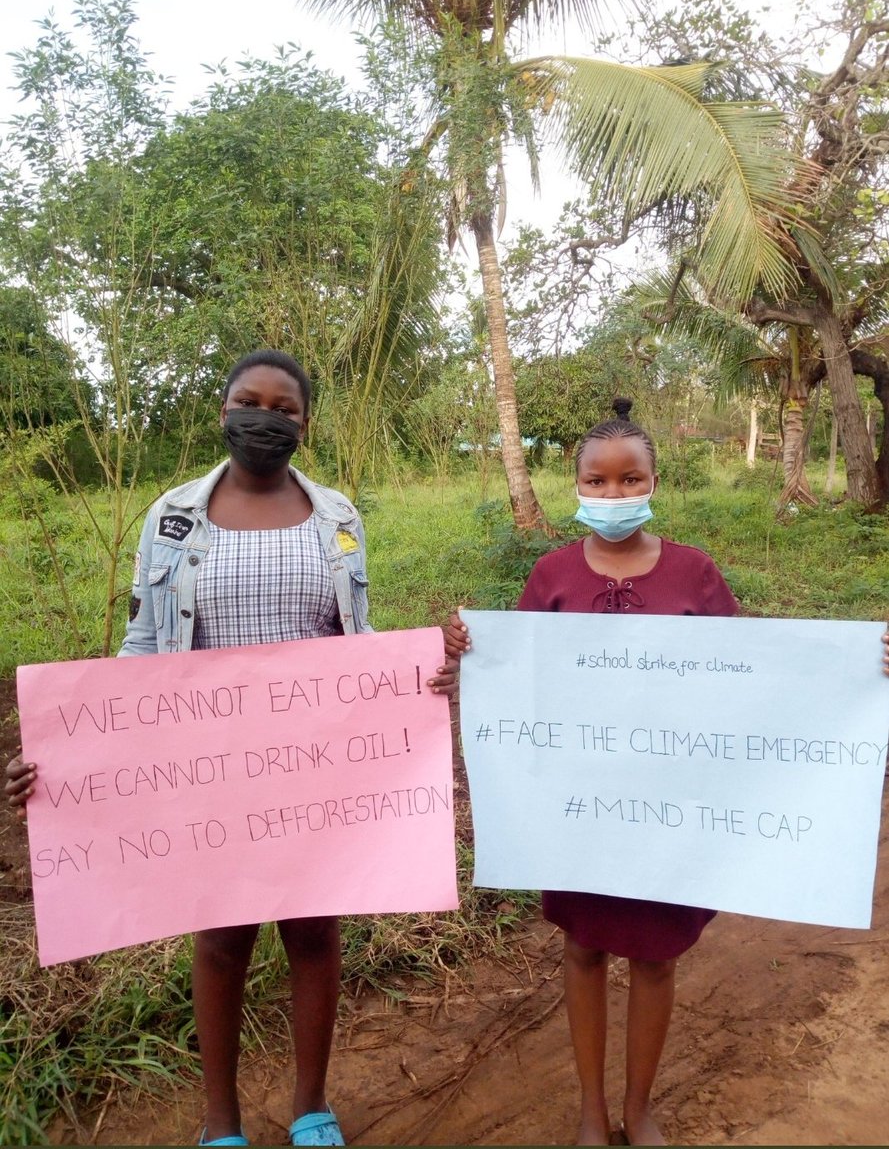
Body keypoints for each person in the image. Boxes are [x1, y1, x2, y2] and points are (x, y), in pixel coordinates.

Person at [6, 348, 456, 1148]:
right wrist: (67, 747)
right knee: (218, 939)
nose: (265, 417)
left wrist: (419, 679)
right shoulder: (172, 517)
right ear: (222, 412)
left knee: (314, 931)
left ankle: (312, 1106)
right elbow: (143, 644)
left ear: (303, 423)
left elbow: (357, 638)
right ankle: (222, 1123)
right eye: (249, 402)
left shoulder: (338, 517)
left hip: (312, 769)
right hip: (210, 774)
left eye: (283, 407)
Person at [443, 398, 733, 1146]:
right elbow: (517, 680)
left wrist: (859, 672)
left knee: (655, 957)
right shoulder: (551, 575)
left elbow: (749, 679)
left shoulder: (696, 576)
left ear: (654, 480)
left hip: (666, 807)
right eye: (598, 482)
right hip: (577, 806)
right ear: (576, 485)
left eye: (629, 479)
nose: (613, 496)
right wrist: (465, 664)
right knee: (582, 948)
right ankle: (589, 1110)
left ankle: (639, 1110)